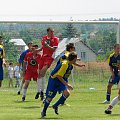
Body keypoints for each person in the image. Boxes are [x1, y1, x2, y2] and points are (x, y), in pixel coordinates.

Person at [41, 52, 77, 117]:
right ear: (73, 59)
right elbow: (58, 76)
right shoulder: (65, 64)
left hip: (61, 80)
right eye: (76, 59)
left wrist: (66, 84)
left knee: (67, 93)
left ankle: (55, 106)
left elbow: (63, 76)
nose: (76, 60)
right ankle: (44, 111)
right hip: (54, 80)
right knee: (50, 98)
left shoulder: (70, 65)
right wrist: (67, 85)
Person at [35, 27, 59, 101]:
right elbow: (42, 47)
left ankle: (42, 91)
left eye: (53, 32)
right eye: (51, 31)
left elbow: (53, 49)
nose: (52, 33)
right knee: (39, 74)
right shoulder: (44, 38)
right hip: (43, 57)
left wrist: (47, 45)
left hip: (49, 58)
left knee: (42, 72)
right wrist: (37, 50)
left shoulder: (55, 39)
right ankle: (40, 91)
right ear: (48, 32)